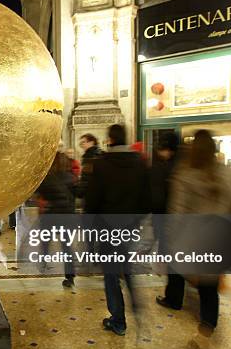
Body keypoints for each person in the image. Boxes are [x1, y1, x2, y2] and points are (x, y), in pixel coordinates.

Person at [164, 130, 231, 349]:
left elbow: (176, 213)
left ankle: (203, 335)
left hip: (194, 241)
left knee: (200, 283)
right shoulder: (225, 174)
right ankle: (205, 333)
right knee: (210, 290)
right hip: (218, 239)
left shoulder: (186, 173)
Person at [85, 124, 149, 336]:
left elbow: (93, 200)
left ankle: (118, 319)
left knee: (111, 274)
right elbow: (146, 198)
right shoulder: (139, 164)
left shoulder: (102, 164)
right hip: (130, 227)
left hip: (107, 227)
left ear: (110, 140)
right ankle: (138, 306)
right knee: (127, 267)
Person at [151, 133, 185, 311]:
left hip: (169, 220)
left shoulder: (163, 168)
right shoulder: (186, 165)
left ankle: (174, 298)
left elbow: (157, 199)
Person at [37, 142, 77, 287]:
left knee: (45, 240)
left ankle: (43, 262)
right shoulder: (71, 177)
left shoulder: (47, 177)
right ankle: (70, 276)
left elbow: (40, 193)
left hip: (51, 214)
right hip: (67, 215)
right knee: (67, 246)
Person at [75, 133, 103, 200]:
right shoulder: (101, 153)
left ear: (92, 142)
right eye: (80, 143)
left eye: (83, 142)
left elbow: (86, 178)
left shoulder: (89, 157)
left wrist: (79, 192)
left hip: (92, 194)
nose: (81, 145)